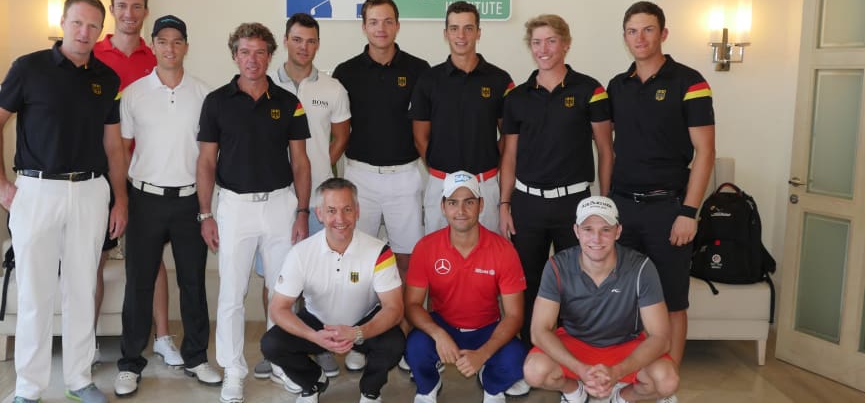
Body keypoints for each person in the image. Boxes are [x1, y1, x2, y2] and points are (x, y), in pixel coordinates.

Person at [0, 0, 127, 403]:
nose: (84, 32)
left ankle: (79, 379)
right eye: (77, 23)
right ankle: (28, 388)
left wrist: (121, 200)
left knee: (82, 288)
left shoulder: (107, 79)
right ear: (63, 22)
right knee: (35, 291)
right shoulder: (28, 68)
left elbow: (113, 145)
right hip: (37, 190)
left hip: (90, 191)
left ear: (101, 31)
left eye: (93, 26)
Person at [197, 22, 312, 403]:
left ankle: (280, 362)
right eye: (245, 52)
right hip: (234, 208)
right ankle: (233, 369)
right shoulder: (216, 101)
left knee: (282, 291)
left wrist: (301, 210)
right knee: (231, 291)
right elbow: (206, 162)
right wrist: (205, 213)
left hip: (280, 205)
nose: (252, 59)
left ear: (270, 55)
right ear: (234, 55)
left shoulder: (287, 100)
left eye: (260, 52)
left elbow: (300, 162)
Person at [606, 1, 715, 381]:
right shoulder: (616, 87)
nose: (640, 38)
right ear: (624, 37)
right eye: (632, 31)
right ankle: (631, 377)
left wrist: (689, 212)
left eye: (648, 29)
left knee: (670, 300)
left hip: (669, 210)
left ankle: (668, 382)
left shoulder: (690, 81)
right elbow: (608, 149)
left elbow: (705, 152)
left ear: (663, 34)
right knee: (626, 297)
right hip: (623, 209)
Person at [113, 15, 220, 396]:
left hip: (191, 200)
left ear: (186, 46)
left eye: (177, 41)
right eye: (162, 41)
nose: (170, 49)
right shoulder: (134, 94)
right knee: (139, 284)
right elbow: (122, 150)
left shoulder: (205, 94)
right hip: (145, 199)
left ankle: (196, 357)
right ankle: (130, 364)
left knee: (193, 282)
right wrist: (121, 200)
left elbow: (211, 156)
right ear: (153, 45)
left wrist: (208, 208)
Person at [498, 14, 614, 346]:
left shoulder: (591, 90)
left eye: (551, 41)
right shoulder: (516, 97)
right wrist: (505, 203)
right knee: (527, 282)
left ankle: (577, 352)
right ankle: (528, 351)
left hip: (575, 204)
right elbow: (509, 156)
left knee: (578, 280)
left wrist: (605, 203)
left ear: (565, 43)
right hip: (527, 203)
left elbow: (606, 150)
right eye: (537, 42)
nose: (543, 49)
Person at [253, 12, 352, 380]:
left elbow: (341, 135)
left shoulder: (332, 88)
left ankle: (319, 346)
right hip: (276, 199)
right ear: (286, 40)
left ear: (318, 44)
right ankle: (273, 346)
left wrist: (320, 166)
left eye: (310, 41)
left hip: (319, 204)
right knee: (277, 281)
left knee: (319, 281)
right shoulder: (261, 84)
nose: (304, 47)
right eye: (297, 40)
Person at [93, 0, 181, 367]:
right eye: (122, 6)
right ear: (113, 10)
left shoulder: (157, 55)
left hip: (147, 177)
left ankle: (162, 337)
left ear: (146, 10)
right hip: (99, 174)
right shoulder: (91, 55)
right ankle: (88, 343)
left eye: (137, 6)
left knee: (150, 260)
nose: (129, 14)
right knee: (91, 259)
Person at [260, 178, 405, 403]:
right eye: (331, 210)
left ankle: (370, 391)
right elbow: (278, 308)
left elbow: (394, 308)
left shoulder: (379, 252)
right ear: (319, 213)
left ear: (357, 211)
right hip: (317, 322)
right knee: (271, 344)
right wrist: (313, 336)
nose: (340, 219)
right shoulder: (300, 253)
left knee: (394, 342)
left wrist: (358, 333)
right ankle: (312, 381)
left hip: (362, 322)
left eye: (347, 209)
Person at [524, 196, 679, 403]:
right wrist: (580, 369)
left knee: (667, 381)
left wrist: (617, 371)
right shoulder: (557, 266)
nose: (596, 239)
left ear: (618, 231)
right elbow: (538, 331)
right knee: (534, 371)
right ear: (576, 231)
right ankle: (573, 391)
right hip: (576, 343)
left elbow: (660, 337)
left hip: (625, 344)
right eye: (588, 229)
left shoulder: (641, 267)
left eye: (605, 229)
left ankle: (622, 396)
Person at [404, 171, 527, 403]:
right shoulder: (426, 247)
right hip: (444, 324)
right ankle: (428, 385)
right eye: (453, 203)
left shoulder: (503, 250)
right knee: (415, 347)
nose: (460, 211)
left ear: (481, 205)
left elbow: (514, 315)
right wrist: (438, 334)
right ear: (443, 207)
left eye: (469, 202)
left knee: (517, 360)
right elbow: (411, 305)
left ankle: (491, 383)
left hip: (487, 328)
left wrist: (484, 353)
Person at [332, 0, 429, 281]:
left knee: (408, 258)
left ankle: (404, 325)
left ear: (398, 25)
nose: (381, 28)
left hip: (405, 176)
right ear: (364, 27)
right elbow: (337, 130)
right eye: (373, 22)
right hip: (360, 177)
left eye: (388, 21)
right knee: (357, 255)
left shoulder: (419, 69)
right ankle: (362, 323)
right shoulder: (345, 72)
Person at [411, 1, 514, 234]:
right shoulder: (429, 80)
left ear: (478, 32)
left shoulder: (499, 79)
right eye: (454, 28)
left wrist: (490, 162)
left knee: (488, 258)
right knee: (438, 259)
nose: (461, 35)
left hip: (484, 185)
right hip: (441, 185)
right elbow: (420, 137)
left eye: (468, 28)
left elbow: (508, 135)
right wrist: (442, 170)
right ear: (445, 33)